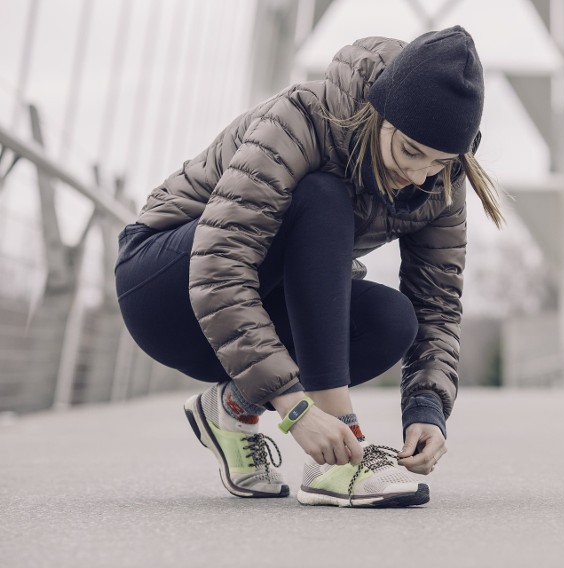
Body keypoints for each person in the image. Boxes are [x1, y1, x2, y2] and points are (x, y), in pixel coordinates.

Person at [114, 25, 503, 508]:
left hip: (245, 314)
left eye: (442, 161)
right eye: (410, 151)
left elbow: (437, 305)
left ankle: (232, 405)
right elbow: (219, 267)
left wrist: (428, 409)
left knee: (391, 321)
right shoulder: (303, 119)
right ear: (379, 113)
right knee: (321, 194)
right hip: (163, 289)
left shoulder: (440, 181)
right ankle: (339, 453)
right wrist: (296, 408)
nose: (421, 173)